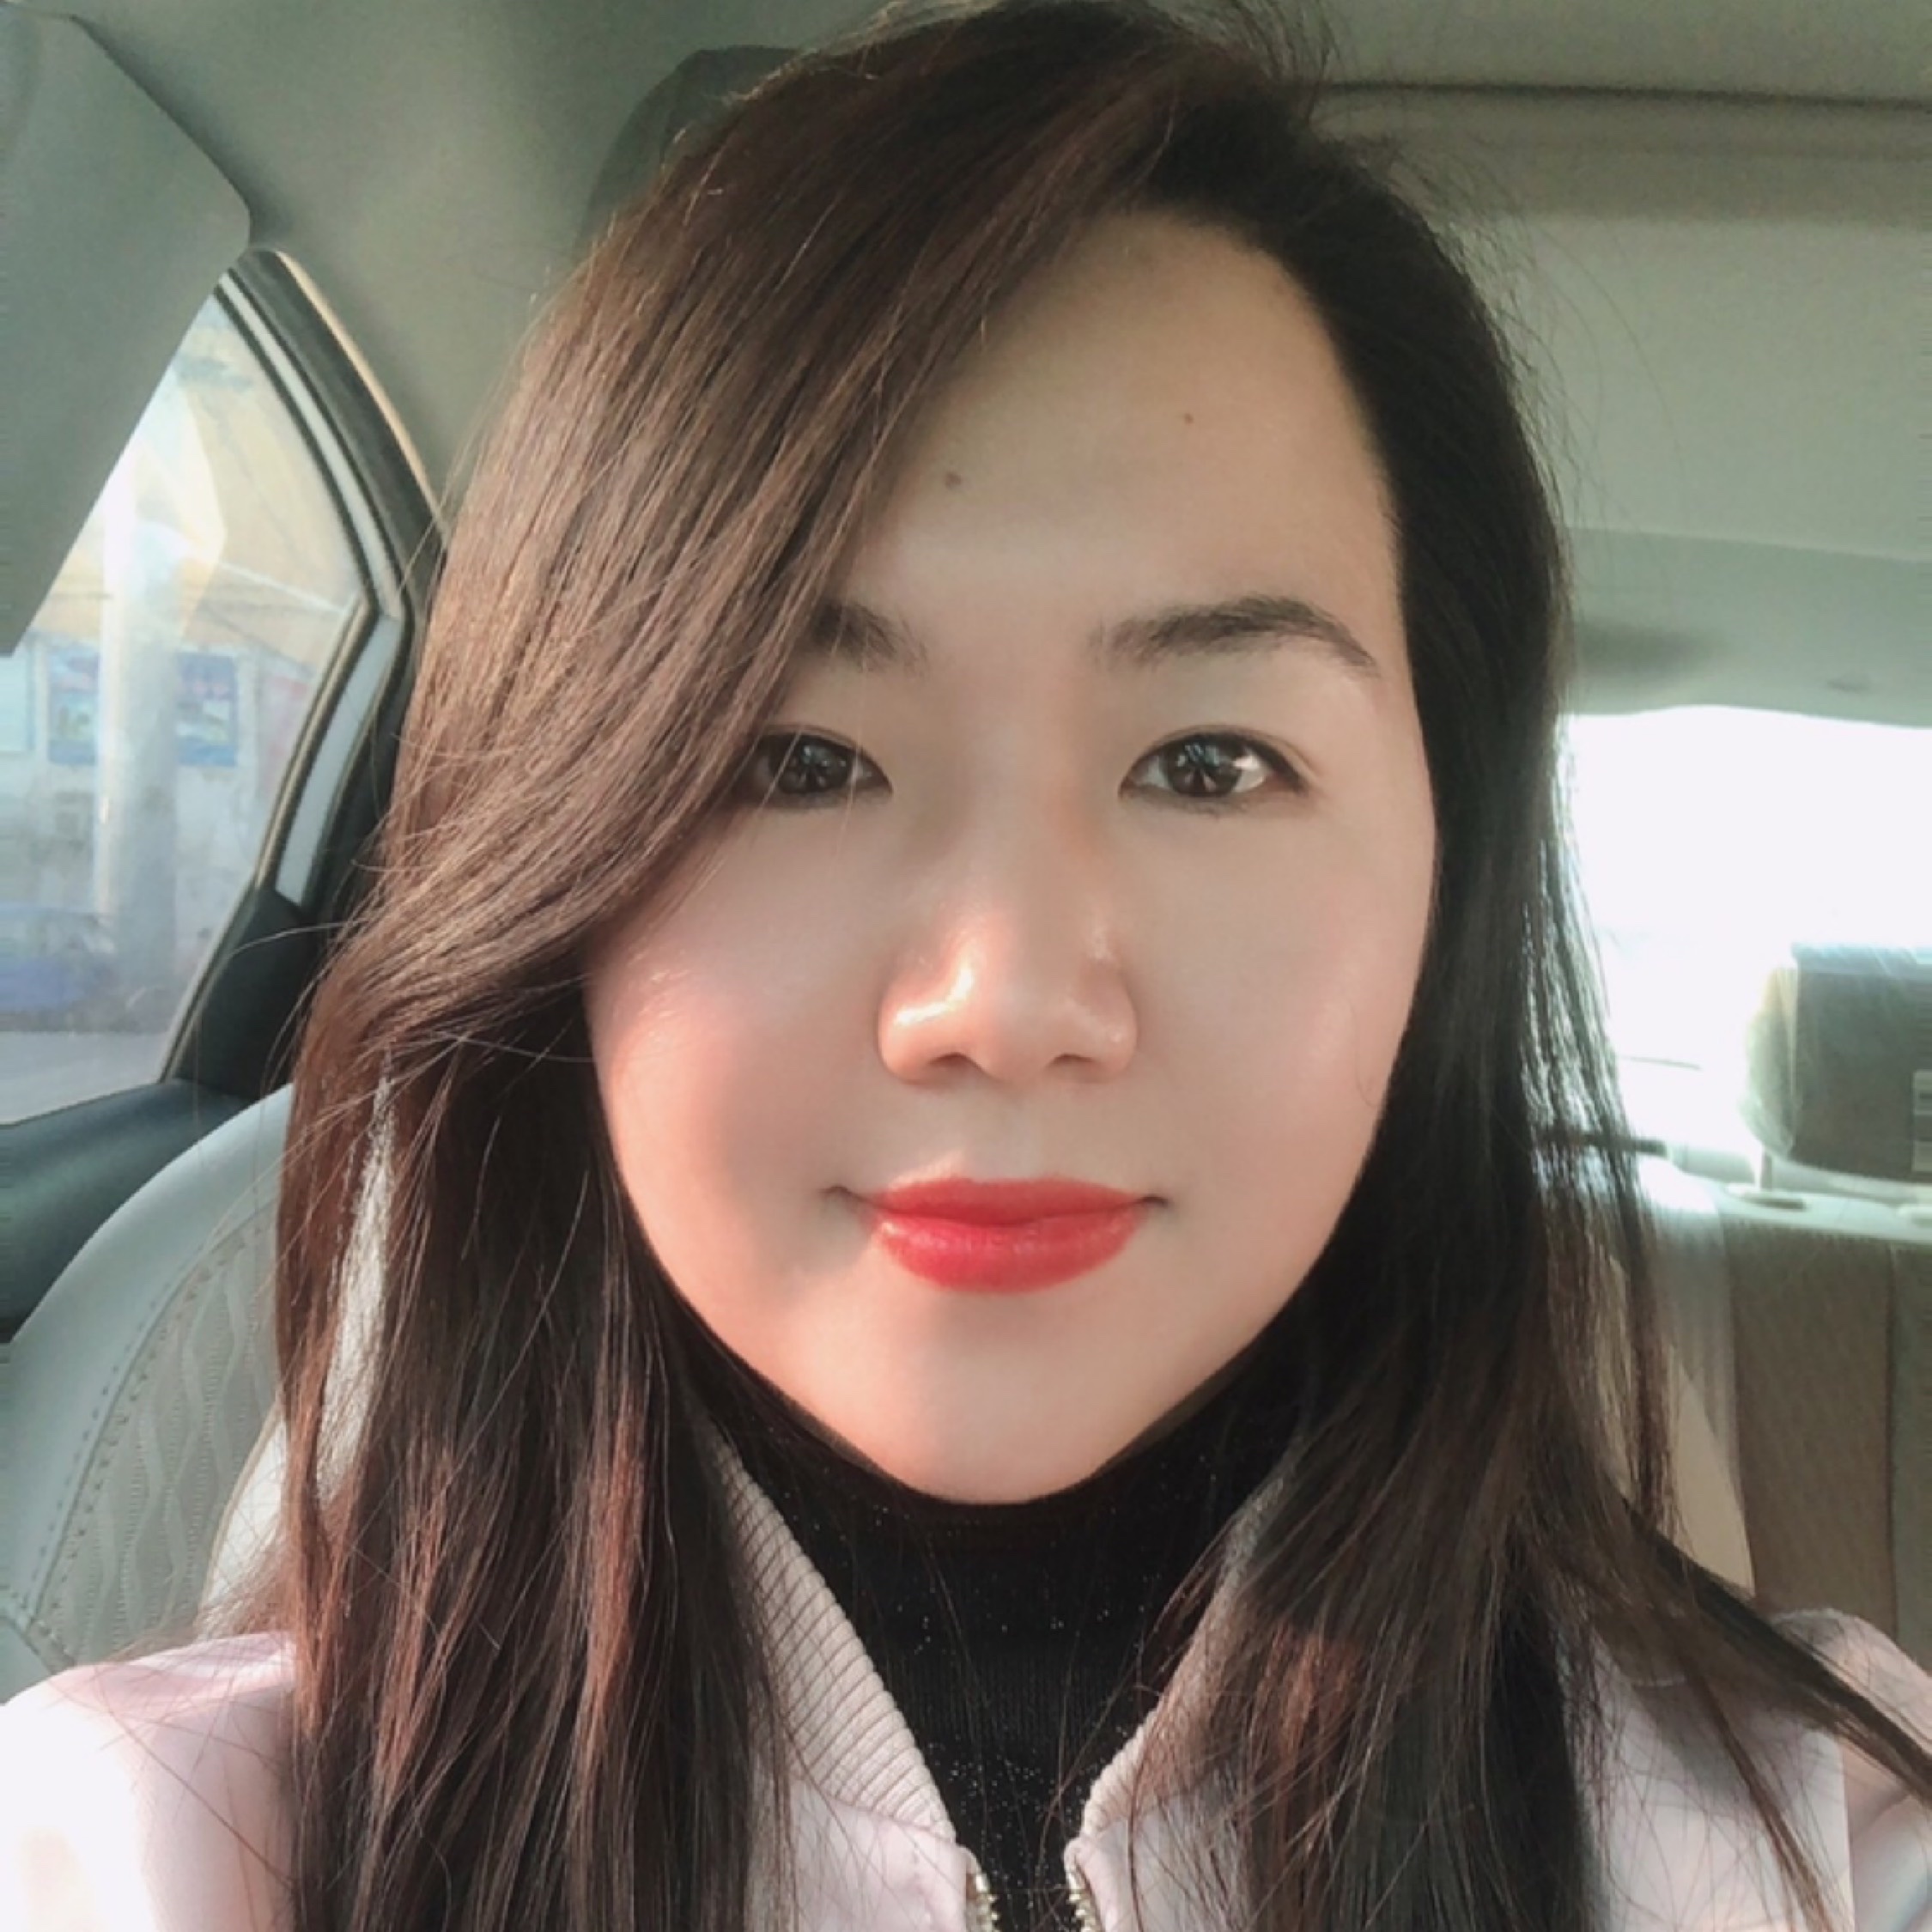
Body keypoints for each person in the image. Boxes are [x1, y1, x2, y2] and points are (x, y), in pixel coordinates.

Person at [3, 3, 1928, 1929]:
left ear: (1447, 880)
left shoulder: (1816, 1843)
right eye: (795, 759)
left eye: (1210, 762)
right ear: (557, 870)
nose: (1005, 1002)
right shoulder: (155, 1851)